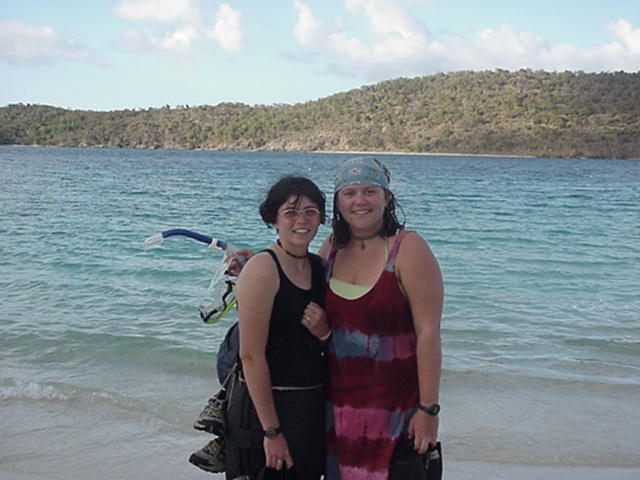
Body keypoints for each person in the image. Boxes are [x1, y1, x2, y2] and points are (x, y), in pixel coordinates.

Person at [317, 157, 444, 480]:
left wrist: (428, 411)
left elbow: (428, 333)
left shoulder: (408, 248)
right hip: (338, 408)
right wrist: (255, 267)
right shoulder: (331, 248)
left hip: (396, 412)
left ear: (387, 197)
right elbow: (292, 285)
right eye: (349, 192)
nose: (360, 201)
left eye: (370, 191)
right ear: (337, 201)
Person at [224, 176, 331, 480]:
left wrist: (324, 331)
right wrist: (272, 431)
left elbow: (314, 344)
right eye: (291, 212)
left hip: (309, 409)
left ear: (321, 219)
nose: (302, 220)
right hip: (266, 413)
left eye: (311, 212)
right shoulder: (263, 268)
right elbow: (251, 356)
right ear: (274, 219)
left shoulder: (317, 267)